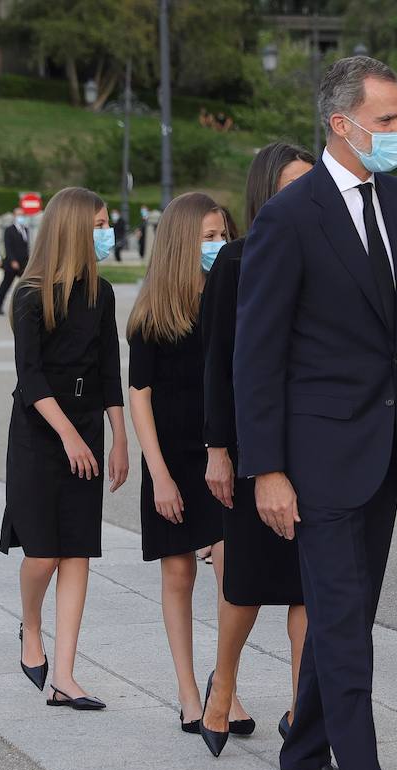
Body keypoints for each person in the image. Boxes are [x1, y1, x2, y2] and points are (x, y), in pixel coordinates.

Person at [234, 55, 397, 770]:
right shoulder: (290, 218)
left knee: (347, 617)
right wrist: (265, 466)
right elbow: (255, 354)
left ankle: (302, 755)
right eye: (389, 120)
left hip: (384, 456)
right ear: (343, 123)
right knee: (345, 629)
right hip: (315, 461)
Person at [199, 141, 317, 758]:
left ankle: (301, 707)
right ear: (265, 192)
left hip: (312, 445)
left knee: (305, 588)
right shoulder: (237, 262)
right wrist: (219, 449)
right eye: (290, 185)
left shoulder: (324, 254)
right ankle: (222, 690)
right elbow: (219, 364)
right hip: (250, 448)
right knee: (244, 585)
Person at [0, 187, 129, 709]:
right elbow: (29, 378)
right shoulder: (31, 295)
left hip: (86, 425)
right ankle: (30, 626)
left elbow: (107, 373)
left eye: (107, 223)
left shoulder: (102, 293)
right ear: (73, 228)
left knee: (78, 551)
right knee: (44, 554)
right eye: (98, 225)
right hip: (39, 430)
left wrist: (120, 438)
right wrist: (69, 435)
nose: (106, 233)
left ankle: (66, 677)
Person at [126, 192, 236, 739]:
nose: (217, 246)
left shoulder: (233, 298)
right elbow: (138, 395)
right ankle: (188, 691)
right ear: (179, 244)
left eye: (222, 235)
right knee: (179, 571)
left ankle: (225, 686)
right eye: (206, 238)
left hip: (221, 453)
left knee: (228, 566)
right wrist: (160, 474)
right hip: (169, 457)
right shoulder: (153, 312)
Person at [0, 207, 32, 316]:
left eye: (22, 215)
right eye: (18, 215)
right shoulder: (9, 230)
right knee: (6, 284)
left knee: (27, 285)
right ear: (14, 216)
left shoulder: (25, 229)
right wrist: (12, 260)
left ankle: (25, 307)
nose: (20, 217)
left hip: (24, 263)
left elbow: (26, 247)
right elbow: (8, 247)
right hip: (11, 263)